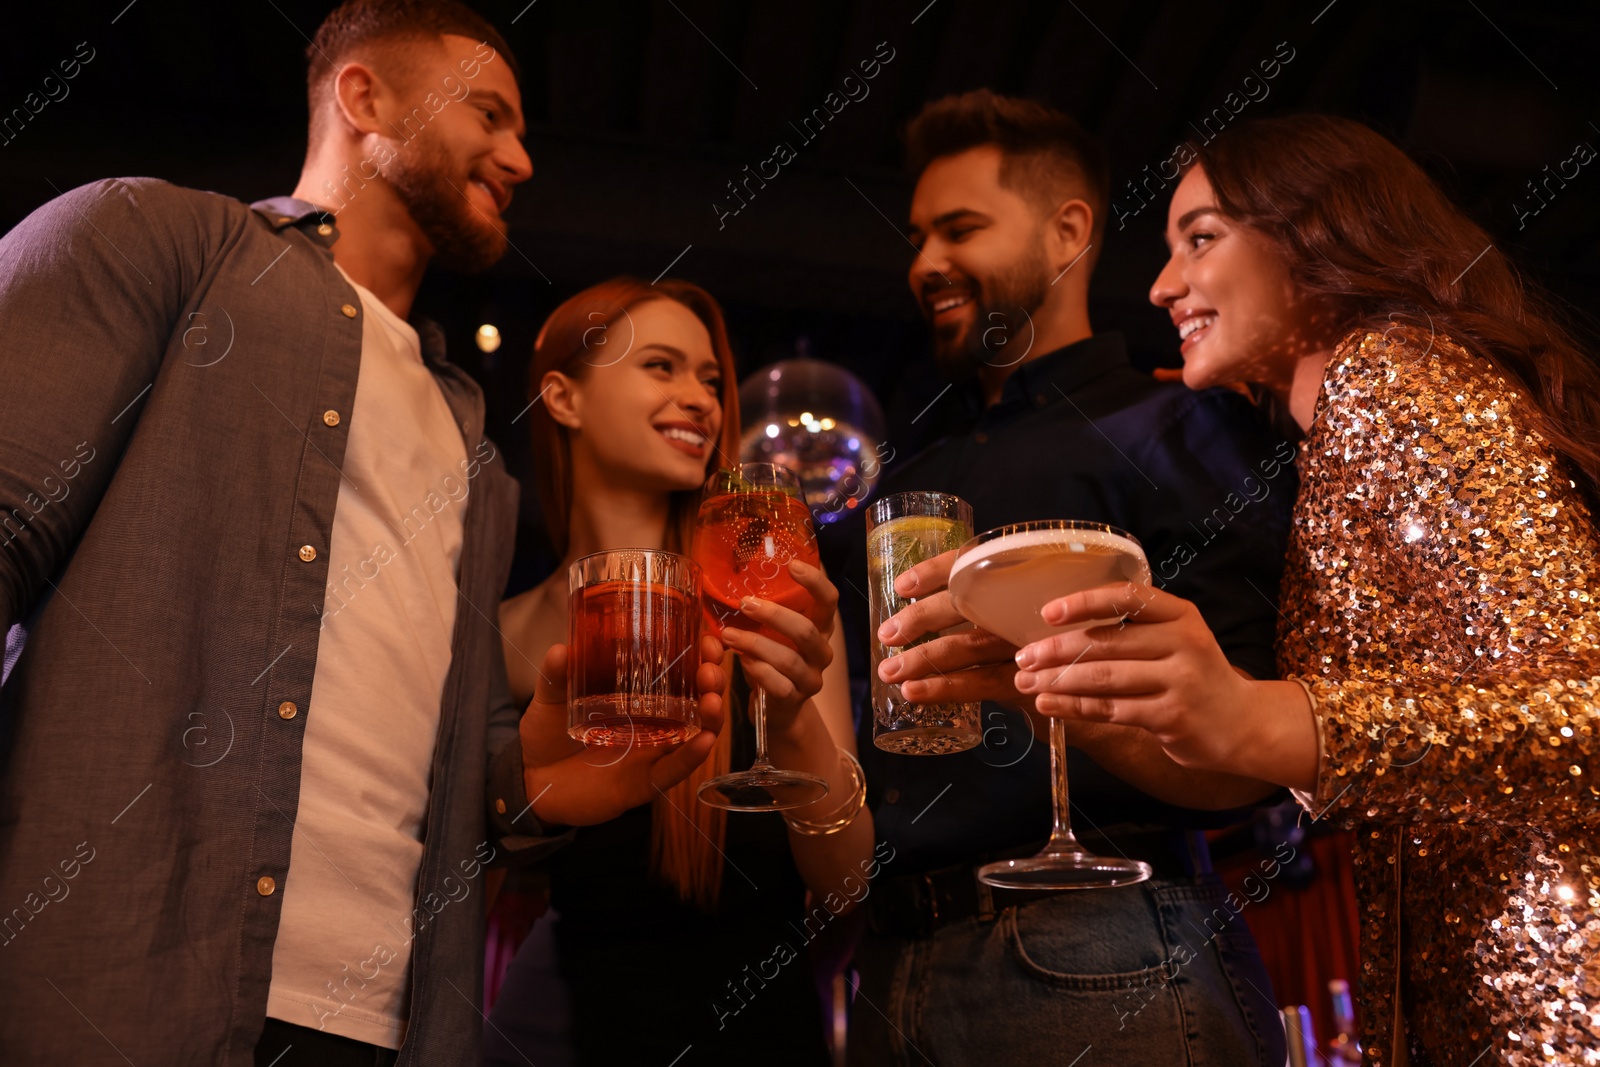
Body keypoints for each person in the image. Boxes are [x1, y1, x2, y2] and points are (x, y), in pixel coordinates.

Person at [0, 3, 726, 1064]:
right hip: (114, 987)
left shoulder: (472, 445)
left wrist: (537, 775)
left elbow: (458, 759)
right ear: (363, 97)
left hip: (389, 1023)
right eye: (490, 113)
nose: (521, 158)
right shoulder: (157, 239)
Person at [1010, 113, 1600, 1064]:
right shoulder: (1338, 434)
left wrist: (1277, 720)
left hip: (1560, 990)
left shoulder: (1394, 381)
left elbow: (1587, 702)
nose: (1161, 286)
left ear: (1315, 232)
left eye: (1201, 238)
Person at [839, 90, 1292, 1065]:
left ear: (1067, 231)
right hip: (888, 962)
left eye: (959, 228)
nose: (924, 263)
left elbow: (1250, 752)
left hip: (1105, 938)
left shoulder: (1186, 423)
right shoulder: (909, 478)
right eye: (917, 236)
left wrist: (1054, 687)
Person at [484, 278, 878, 1067]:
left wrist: (794, 714)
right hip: (569, 1034)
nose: (700, 399)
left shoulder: (761, 595)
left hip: (762, 1040)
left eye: (709, 379)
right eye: (662, 366)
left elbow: (847, 884)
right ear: (561, 398)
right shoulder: (501, 630)